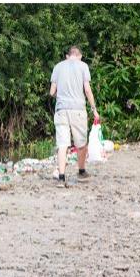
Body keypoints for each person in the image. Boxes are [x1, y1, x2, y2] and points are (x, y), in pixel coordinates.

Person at [49, 45, 100, 184]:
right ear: (80, 56)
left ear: (67, 56)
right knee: (81, 143)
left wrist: (61, 95)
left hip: (61, 110)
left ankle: (61, 177)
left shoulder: (57, 67)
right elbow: (87, 90)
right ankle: (81, 172)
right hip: (78, 110)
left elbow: (52, 92)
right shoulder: (83, 66)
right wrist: (94, 109)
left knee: (62, 144)